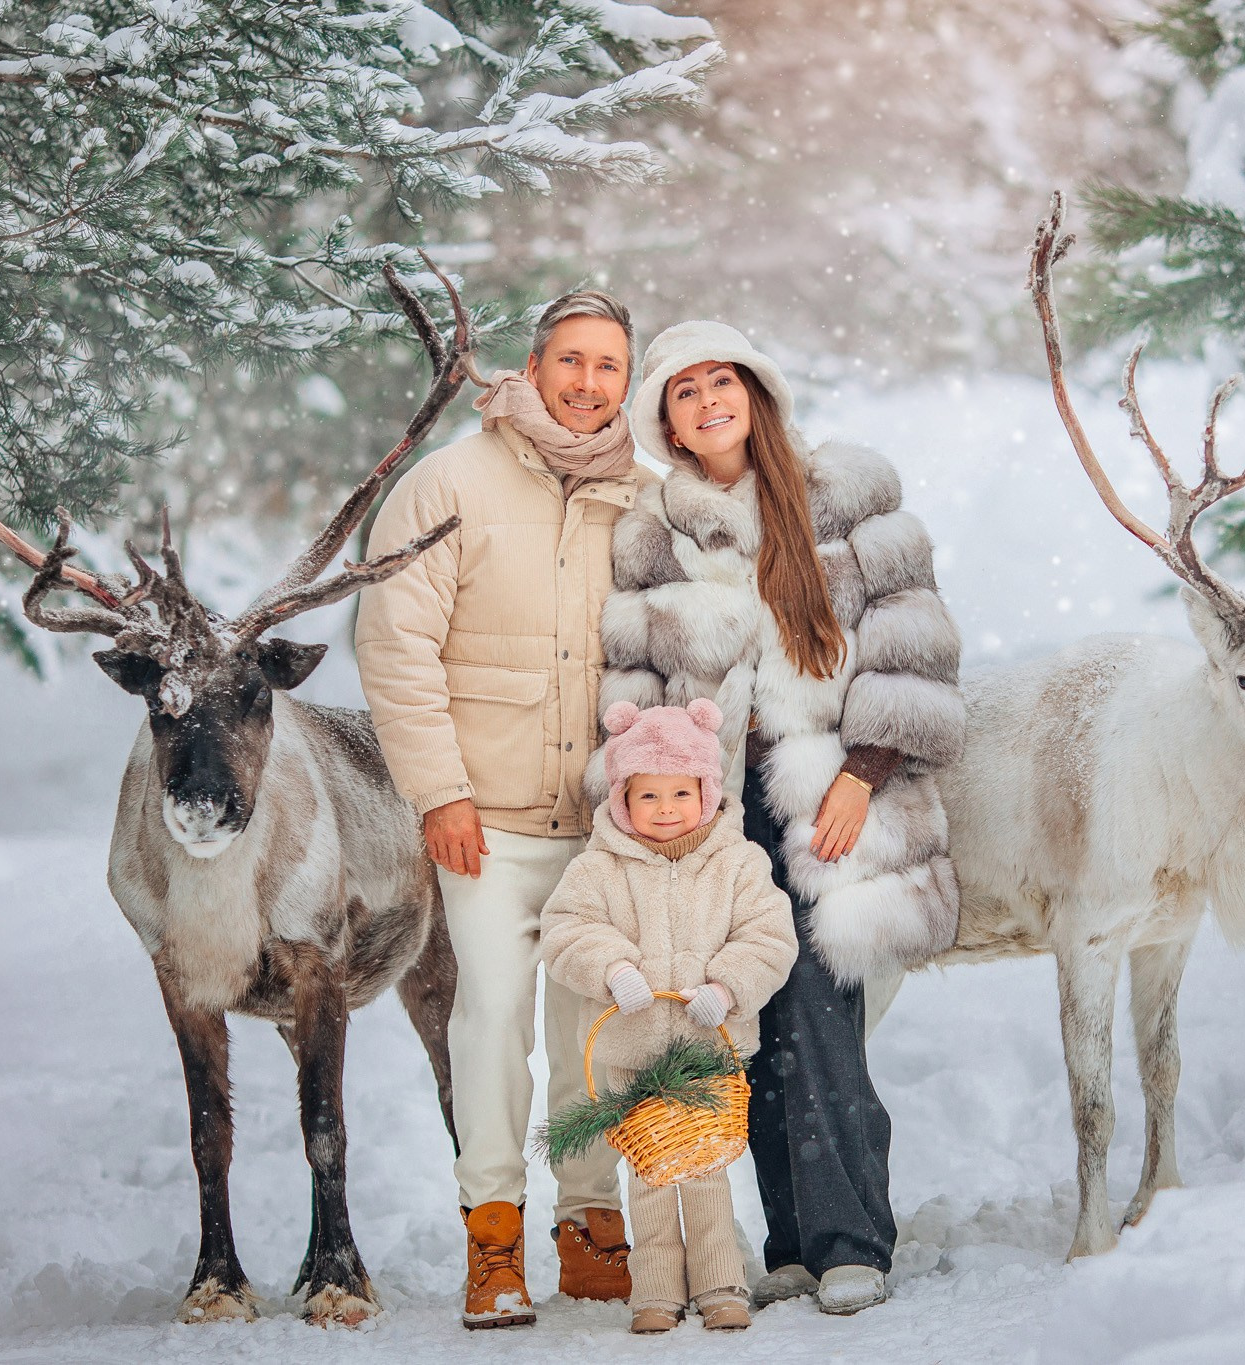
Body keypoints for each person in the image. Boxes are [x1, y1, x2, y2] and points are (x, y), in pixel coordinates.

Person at [596, 321, 964, 1316]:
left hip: (827, 800)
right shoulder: (650, 537)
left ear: (756, 390)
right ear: (664, 421)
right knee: (738, 1024)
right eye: (683, 391)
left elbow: (912, 647)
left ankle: (852, 1241)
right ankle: (793, 1244)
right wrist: (652, 804)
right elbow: (629, 685)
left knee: (813, 1016)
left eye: (724, 380)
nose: (708, 399)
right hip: (706, 817)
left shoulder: (846, 495)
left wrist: (861, 770)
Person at [353, 289, 655, 1329]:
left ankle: (588, 1228)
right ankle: (492, 1241)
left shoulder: (645, 497)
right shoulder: (449, 484)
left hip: (609, 828)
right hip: (487, 822)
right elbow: (395, 646)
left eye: (607, 365)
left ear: (628, 378)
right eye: (568, 360)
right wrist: (438, 791)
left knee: (591, 1033)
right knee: (488, 1025)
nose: (586, 382)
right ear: (532, 367)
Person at [540, 699, 797, 1334]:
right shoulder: (597, 868)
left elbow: (770, 937)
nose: (665, 808)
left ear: (707, 791)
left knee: (705, 1172)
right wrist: (612, 968)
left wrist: (729, 986)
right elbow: (565, 931)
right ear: (622, 797)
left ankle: (719, 1283)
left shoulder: (739, 864)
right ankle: (654, 1291)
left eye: (681, 791)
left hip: (708, 1050)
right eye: (647, 795)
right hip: (631, 1051)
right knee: (652, 1176)